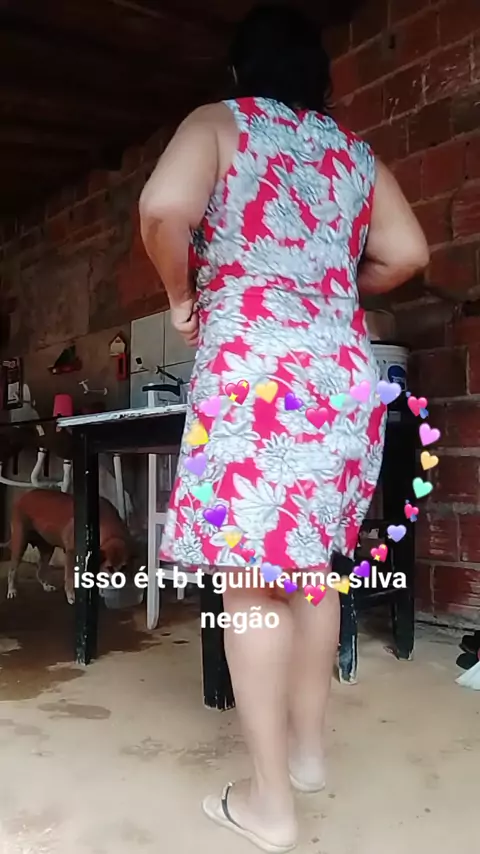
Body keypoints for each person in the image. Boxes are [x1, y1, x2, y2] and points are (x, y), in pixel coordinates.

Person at [139, 4, 429, 850]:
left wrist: (181, 295)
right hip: (341, 374)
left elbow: (162, 207)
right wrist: (327, 284)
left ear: (240, 72)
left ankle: (270, 805)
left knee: (251, 583)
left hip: (255, 373)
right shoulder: (354, 154)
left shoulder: (219, 123)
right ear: (321, 81)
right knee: (312, 573)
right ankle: (306, 757)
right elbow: (410, 254)